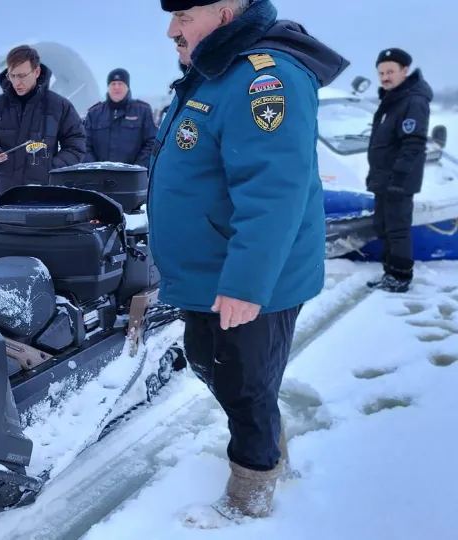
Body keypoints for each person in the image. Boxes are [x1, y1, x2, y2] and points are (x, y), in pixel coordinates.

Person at [147, 0, 349, 525]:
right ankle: (266, 440)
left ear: (226, 12)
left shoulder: (266, 77)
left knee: (245, 387)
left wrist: (246, 284)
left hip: (248, 281)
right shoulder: (214, 72)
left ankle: (251, 493)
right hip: (209, 273)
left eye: (184, 17)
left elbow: (272, 193)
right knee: (212, 366)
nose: (172, 30)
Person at [0, 44, 86, 205]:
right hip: (5, 196)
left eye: (22, 75)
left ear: (36, 71)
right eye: (12, 76)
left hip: (46, 194)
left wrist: (52, 167)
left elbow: (77, 145)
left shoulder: (59, 106)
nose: (16, 82)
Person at [365, 48, 433, 293]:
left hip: (398, 180)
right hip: (385, 178)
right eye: (381, 72)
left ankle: (401, 277)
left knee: (397, 229)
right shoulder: (393, 99)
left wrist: (399, 178)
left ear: (404, 71)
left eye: (390, 71)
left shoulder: (412, 100)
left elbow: (413, 143)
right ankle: (390, 273)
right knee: (383, 226)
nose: (385, 77)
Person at [82, 68, 157, 167]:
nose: (116, 87)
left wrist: (137, 168)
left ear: (127, 87)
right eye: (113, 84)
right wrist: (95, 168)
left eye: (120, 83)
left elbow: (152, 142)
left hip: (133, 177)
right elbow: (85, 144)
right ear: (108, 87)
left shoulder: (142, 111)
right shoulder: (94, 113)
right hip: (100, 176)